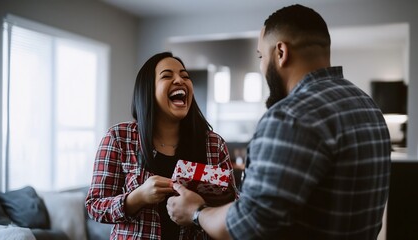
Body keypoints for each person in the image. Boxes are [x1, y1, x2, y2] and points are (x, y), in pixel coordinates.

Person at [167, 4, 391, 240]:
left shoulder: (290, 116)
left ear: (281, 53)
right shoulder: (368, 106)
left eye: (261, 56)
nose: (262, 66)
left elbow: (247, 227)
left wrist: (197, 212)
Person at [85, 52, 238, 240]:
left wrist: (201, 209)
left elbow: (236, 207)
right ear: (148, 90)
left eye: (185, 76)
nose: (179, 80)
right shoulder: (119, 138)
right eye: (167, 76)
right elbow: (95, 207)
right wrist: (137, 197)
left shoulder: (214, 144)